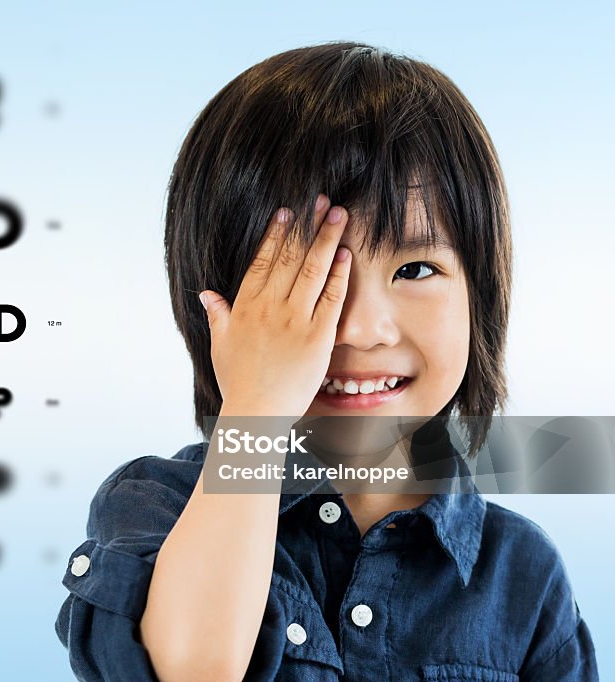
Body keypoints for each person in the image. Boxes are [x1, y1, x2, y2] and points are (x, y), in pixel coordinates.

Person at [54, 41, 598, 681]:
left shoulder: (521, 572)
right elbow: (195, 671)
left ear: (482, 294)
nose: (364, 328)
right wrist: (256, 408)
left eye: (416, 269)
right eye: (304, 281)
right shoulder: (156, 508)